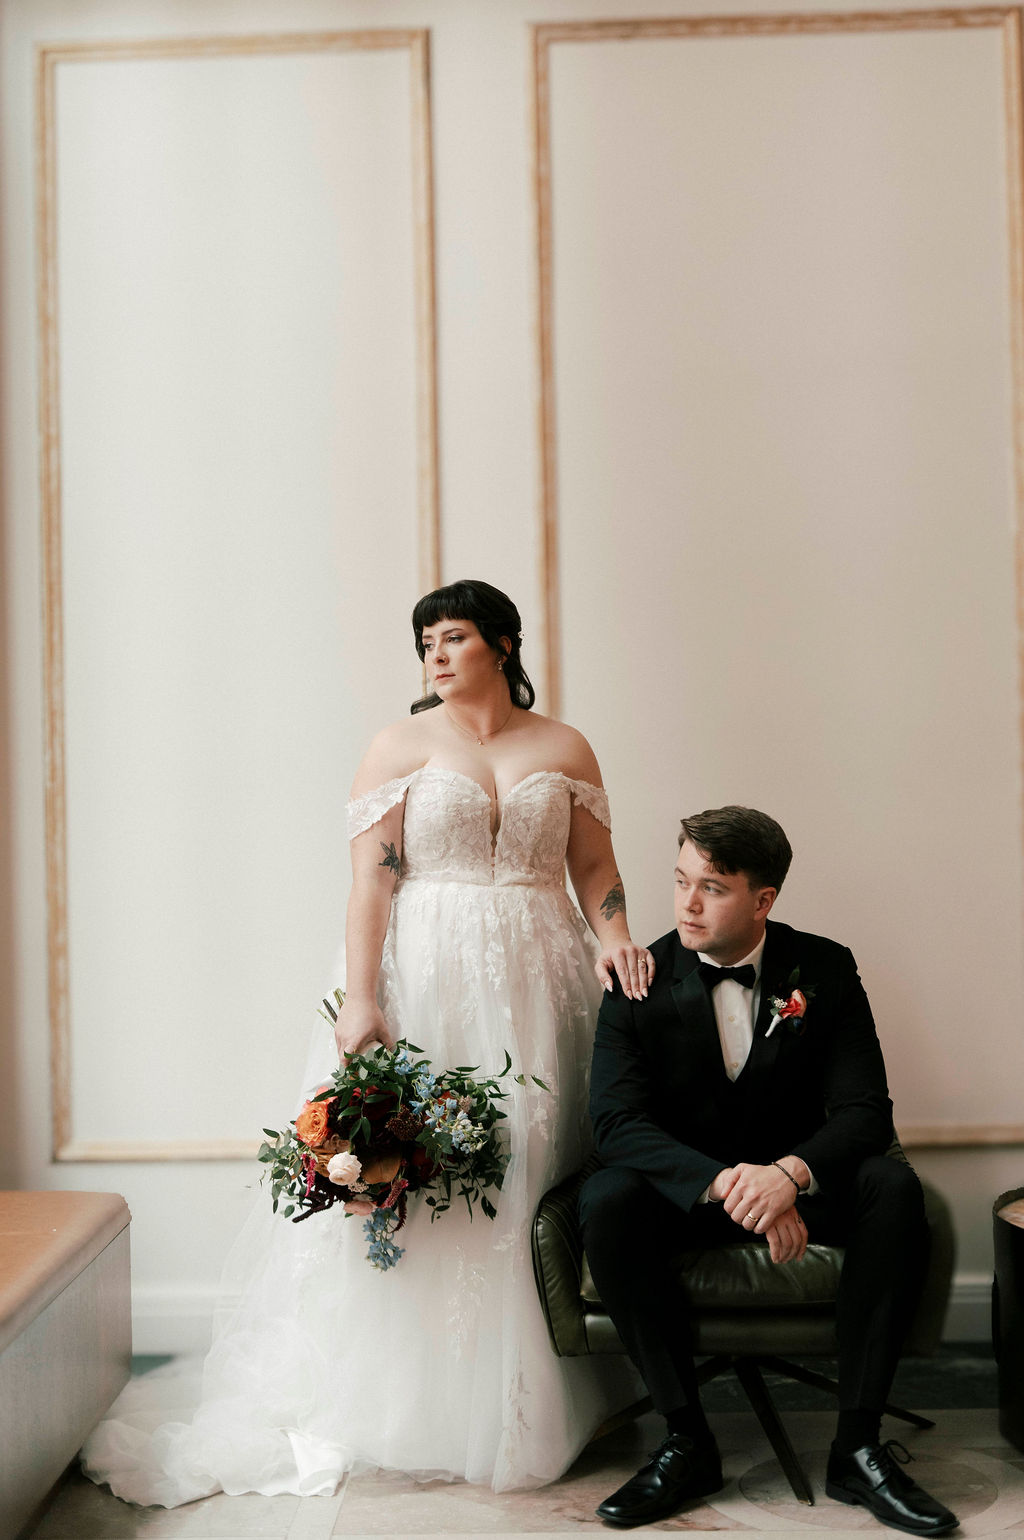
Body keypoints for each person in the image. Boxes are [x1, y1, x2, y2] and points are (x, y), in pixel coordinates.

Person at [81, 579, 647, 1507]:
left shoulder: (565, 746)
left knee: (539, 1166)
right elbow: (372, 884)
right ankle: (417, 1404)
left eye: (453, 636)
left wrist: (618, 936)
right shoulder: (398, 745)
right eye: (425, 638)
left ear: (503, 644)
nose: (434, 651)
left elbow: (595, 867)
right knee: (423, 1177)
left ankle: (542, 1393)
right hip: (432, 976)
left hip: (546, 975)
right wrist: (362, 998)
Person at [581, 806, 959, 1534]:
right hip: (689, 1195)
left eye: (713, 888)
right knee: (608, 1197)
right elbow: (617, 1123)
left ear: (764, 901)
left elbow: (864, 1112)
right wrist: (732, 1185)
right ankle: (687, 1440)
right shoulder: (640, 978)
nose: (688, 904)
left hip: (800, 1186)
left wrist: (788, 1176)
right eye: (680, 881)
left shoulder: (823, 968)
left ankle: (857, 1447)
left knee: (894, 1186)